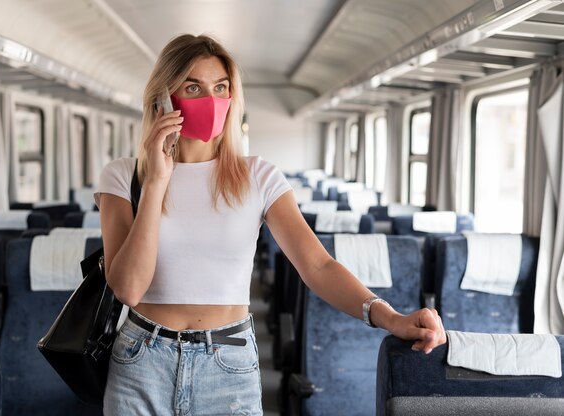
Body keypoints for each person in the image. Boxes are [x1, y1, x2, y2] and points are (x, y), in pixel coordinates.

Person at [95, 33, 446, 416]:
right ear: (163, 96)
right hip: (142, 358)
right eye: (193, 87)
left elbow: (317, 266)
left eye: (221, 88)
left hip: (227, 362)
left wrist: (389, 317)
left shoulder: (258, 176)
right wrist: (157, 181)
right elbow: (128, 288)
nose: (210, 101)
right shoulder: (124, 176)